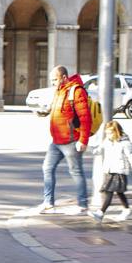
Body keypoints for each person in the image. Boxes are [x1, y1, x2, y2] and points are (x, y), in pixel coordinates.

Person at [38, 66, 93, 215]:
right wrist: (46, 111)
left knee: (76, 171)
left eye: (55, 79)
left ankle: (83, 205)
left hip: (71, 140)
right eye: (52, 80)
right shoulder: (59, 91)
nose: (53, 83)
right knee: (47, 168)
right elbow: (60, 111)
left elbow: (85, 118)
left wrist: (83, 140)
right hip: (56, 140)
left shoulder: (76, 91)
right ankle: (48, 203)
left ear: (64, 77)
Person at [90, 121, 132, 224]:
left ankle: (100, 213)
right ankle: (127, 210)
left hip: (119, 172)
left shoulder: (125, 143)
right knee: (119, 192)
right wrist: (91, 145)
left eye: (110, 133)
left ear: (117, 131)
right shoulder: (107, 141)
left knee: (109, 192)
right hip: (109, 170)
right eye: (107, 133)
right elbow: (99, 150)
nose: (108, 135)